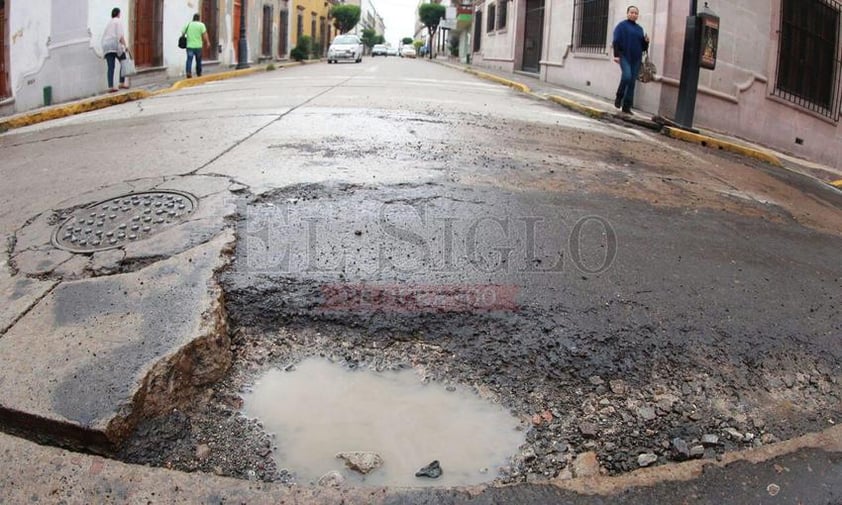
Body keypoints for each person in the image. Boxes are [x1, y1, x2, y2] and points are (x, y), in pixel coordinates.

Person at [612, 6, 649, 114]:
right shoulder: (621, 26)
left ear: (638, 15)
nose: (634, 14)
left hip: (636, 58)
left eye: (636, 13)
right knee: (626, 76)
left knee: (632, 82)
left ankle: (626, 107)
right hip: (624, 56)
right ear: (627, 13)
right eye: (632, 12)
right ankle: (619, 96)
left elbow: (643, 47)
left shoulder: (640, 29)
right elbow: (616, 41)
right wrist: (616, 55)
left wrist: (646, 42)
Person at [101, 7, 129, 92]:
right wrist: (126, 46)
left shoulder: (109, 23)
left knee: (111, 67)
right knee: (124, 61)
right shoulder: (118, 21)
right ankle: (121, 83)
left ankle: (110, 86)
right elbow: (120, 35)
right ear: (118, 14)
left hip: (106, 46)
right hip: (114, 44)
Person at [183, 14, 210, 78]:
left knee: (189, 60)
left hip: (189, 46)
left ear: (193, 18)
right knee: (198, 60)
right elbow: (204, 34)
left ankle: (188, 72)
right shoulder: (201, 25)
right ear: (199, 19)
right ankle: (199, 73)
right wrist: (207, 42)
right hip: (198, 46)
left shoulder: (188, 24)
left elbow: (183, 33)